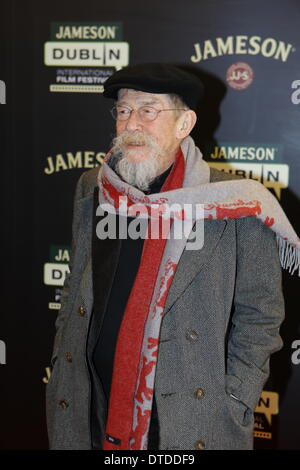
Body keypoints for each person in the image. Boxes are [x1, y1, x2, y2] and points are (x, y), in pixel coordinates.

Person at [46, 62, 295, 451]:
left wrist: (236, 397)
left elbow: (261, 314)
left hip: (190, 417)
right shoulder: (94, 188)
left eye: (148, 110)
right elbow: (76, 286)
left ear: (185, 123)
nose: (132, 125)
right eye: (124, 111)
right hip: (90, 402)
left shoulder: (236, 203)